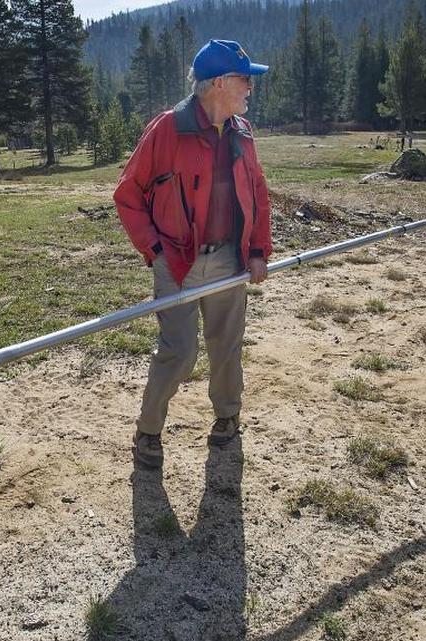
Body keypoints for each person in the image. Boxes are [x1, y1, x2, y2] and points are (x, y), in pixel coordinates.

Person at [114, 40, 272, 470]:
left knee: (226, 346)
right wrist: (157, 250)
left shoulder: (242, 132)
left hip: (229, 260)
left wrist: (258, 250)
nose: (250, 89)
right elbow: (128, 194)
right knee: (179, 350)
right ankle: (148, 432)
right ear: (219, 83)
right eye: (245, 80)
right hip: (178, 262)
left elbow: (257, 194)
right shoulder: (168, 129)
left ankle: (227, 418)